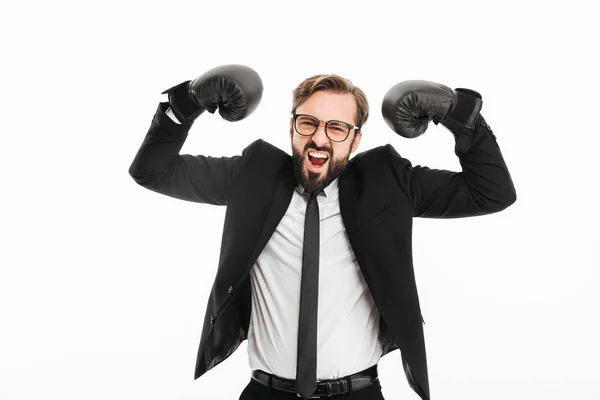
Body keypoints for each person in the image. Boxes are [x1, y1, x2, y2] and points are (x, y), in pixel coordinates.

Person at [128, 64, 516, 400]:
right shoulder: (252, 176)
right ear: (293, 126)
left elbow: (492, 193)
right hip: (266, 393)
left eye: (337, 127)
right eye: (309, 122)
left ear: (356, 138)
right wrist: (186, 104)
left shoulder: (387, 182)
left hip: (359, 394)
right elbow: (152, 171)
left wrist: (459, 114)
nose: (319, 138)